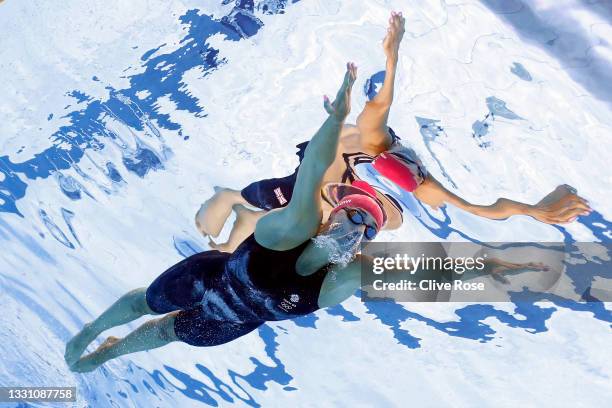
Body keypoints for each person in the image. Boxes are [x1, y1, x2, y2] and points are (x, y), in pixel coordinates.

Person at [65, 62, 376, 372]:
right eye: (355, 214)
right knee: (144, 303)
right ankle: (92, 329)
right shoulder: (295, 227)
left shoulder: (339, 281)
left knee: (165, 331)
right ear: (332, 216)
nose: (359, 228)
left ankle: (107, 353)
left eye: (370, 228)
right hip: (208, 278)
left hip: (231, 322)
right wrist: (336, 120)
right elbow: (312, 168)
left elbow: (420, 272)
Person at [196, 11, 591, 252]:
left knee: (274, 227)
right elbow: (379, 110)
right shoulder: (379, 154)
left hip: (313, 193)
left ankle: (239, 225)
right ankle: (230, 200)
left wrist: (535, 210)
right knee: (257, 201)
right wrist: (392, 55)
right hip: (307, 174)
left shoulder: (338, 216)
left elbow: (481, 210)